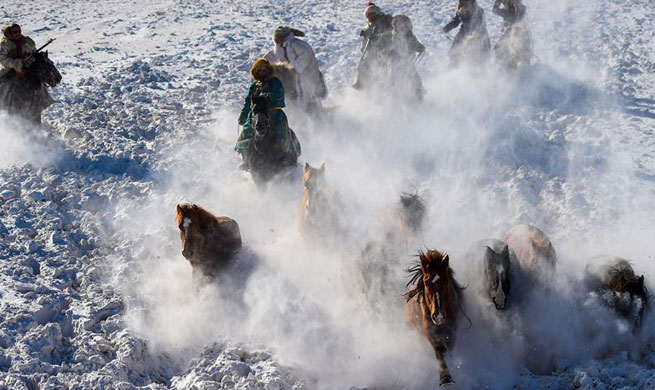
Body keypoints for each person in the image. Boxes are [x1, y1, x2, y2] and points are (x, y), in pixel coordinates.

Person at [236, 58, 301, 167]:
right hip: (256, 112)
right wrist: (243, 114)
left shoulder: (275, 82)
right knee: (246, 130)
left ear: (268, 70)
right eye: (260, 70)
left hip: (273, 112)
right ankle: (245, 157)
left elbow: (280, 97)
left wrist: (270, 98)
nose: (262, 72)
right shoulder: (254, 86)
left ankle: (285, 152)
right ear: (256, 71)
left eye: (264, 69)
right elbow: (248, 102)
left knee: (281, 129)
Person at [264, 26, 326, 111]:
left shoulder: (297, 46)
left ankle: (317, 115)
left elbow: (304, 58)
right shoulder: (279, 48)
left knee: (310, 99)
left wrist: (292, 68)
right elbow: (271, 57)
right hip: (294, 81)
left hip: (308, 77)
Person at [353, 2, 393, 90]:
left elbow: (391, 31)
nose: (370, 17)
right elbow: (366, 43)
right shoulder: (369, 26)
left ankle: (384, 88)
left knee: (381, 68)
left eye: (372, 14)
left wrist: (379, 36)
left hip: (386, 48)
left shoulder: (385, 20)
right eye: (368, 15)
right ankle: (363, 84)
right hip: (373, 51)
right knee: (363, 66)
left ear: (377, 13)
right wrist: (365, 37)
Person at [442, 0, 490, 65]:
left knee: (483, 49)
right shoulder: (461, 11)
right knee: (455, 45)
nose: (465, 6)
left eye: (467, 3)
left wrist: (474, 35)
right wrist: (446, 28)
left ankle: (481, 65)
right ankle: (454, 62)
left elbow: (481, 25)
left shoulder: (479, 11)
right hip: (465, 31)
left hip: (479, 33)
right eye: (463, 3)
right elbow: (455, 22)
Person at [389, 15, 426, 101]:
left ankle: (418, 94)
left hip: (407, 62)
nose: (400, 28)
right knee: (394, 78)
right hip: (397, 63)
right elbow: (391, 47)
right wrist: (388, 52)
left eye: (403, 25)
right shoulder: (394, 36)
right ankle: (394, 95)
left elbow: (416, 45)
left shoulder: (409, 37)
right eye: (398, 25)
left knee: (413, 77)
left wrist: (420, 47)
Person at [492, 0, 532, 68]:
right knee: (497, 48)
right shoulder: (505, 11)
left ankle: (526, 61)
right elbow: (494, 10)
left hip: (520, 32)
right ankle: (498, 65)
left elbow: (521, 9)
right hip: (508, 33)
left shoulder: (521, 9)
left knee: (525, 45)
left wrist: (515, 2)